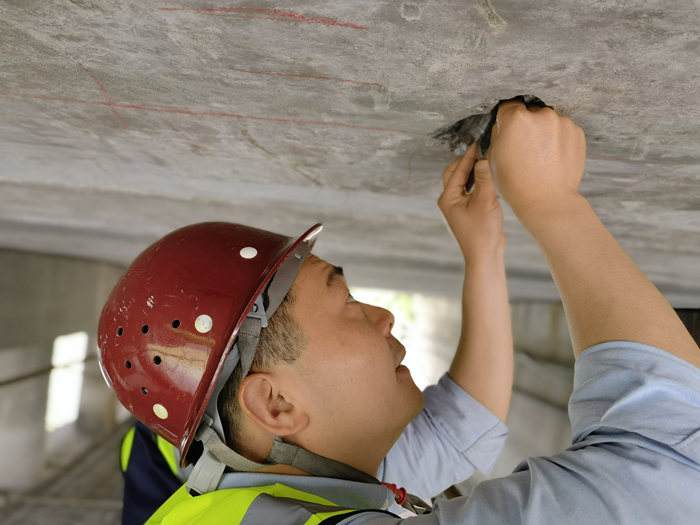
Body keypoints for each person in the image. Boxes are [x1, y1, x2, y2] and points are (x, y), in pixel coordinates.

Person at [98, 99, 700, 523]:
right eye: (347, 301)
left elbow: (460, 432)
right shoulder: (264, 492)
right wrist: (551, 203)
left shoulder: (289, 477)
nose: (382, 317)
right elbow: (672, 460)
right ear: (274, 404)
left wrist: (485, 251)